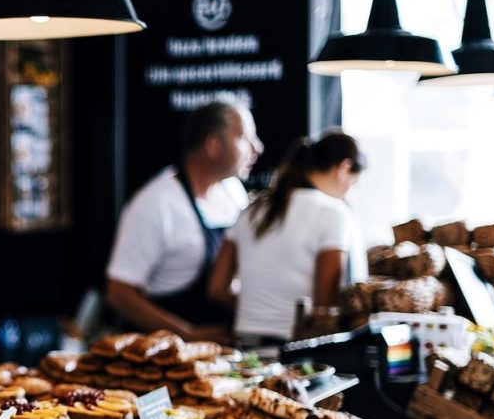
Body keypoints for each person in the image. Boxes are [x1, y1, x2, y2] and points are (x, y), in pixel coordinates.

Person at [105, 99, 263, 343]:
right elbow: (119, 293)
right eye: (245, 138)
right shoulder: (156, 204)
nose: (257, 148)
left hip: (223, 349)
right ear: (213, 145)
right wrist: (185, 334)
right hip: (165, 356)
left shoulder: (232, 191)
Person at [207, 131, 367, 344]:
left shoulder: (251, 210)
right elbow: (325, 307)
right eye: (353, 184)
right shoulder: (334, 213)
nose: (348, 192)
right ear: (344, 168)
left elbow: (217, 289)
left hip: (245, 345)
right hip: (297, 350)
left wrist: (259, 308)